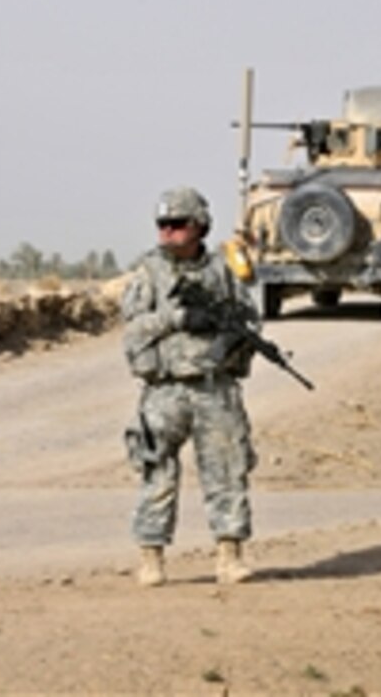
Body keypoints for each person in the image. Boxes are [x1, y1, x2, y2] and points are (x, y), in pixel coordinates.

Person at [121, 187, 258, 587]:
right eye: (162, 224)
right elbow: (133, 331)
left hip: (216, 388)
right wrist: (178, 318)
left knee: (228, 471)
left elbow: (249, 318)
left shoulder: (223, 270)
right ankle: (151, 559)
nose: (167, 232)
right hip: (164, 391)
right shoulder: (148, 273)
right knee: (155, 472)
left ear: (199, 226)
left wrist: (230, 335)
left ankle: (229, 557)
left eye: (177, 224)